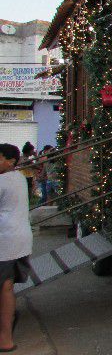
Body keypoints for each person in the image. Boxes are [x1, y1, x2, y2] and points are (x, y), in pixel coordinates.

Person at [0, 143, 33, 352]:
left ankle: (5, 338)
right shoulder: (19, 178)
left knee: (4, 288)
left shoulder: (3, 181)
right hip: (19, 240)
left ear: (11, 161)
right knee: (7, 286)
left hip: (6, 240)